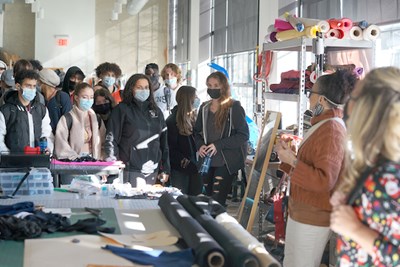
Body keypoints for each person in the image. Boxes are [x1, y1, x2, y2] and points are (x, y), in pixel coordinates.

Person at [274, 70, 357, 267]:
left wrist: (292, 161)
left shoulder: (331, 129)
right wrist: (290, 157)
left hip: (313, 215)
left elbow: (324, 180)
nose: (308, 96)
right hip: (303, 212)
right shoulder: (324, 125)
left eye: (311, 92)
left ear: (321, 99)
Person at [330, 67, 400, 267]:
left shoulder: (388, 177)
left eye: (354, 98)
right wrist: (352, 202)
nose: (348, 105)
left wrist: (355, 229)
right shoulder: (382, 169)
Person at [105, 73, 170, 187]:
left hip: (152, 170)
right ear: (131, 89)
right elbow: (111, 140)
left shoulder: (157, 112)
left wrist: (165, 168)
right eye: (139, 87)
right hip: (129, 169)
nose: (143, 90)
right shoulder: (122, 110)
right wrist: (113, 164)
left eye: (146, 87)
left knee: (149, 204)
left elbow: (164, 143)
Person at [194, 71, 249, 206]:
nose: (212, 89)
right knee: (207, 199)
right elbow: (196, 132)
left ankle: (218, 225)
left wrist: (218, 145)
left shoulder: (233, 107)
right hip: (207, 161)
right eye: (209, 85)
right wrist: (199, 145)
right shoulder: (204, 107)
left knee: (217, 201)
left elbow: (243, 135)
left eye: (216, 85)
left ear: (223, 87)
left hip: (225, 161)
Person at [0, 69, 53, 153]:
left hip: (37, 161)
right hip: (13, 162)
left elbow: (47, 134)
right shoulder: (5, 111)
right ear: (18, 86)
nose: (32, 89)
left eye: (34, 86)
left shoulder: (41, 110)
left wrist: (48, 149)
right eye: (28, 86)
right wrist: (8, 156)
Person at [54, 82, 106, 161]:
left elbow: (103, 142)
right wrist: (75, 159)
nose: (89, 100)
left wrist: (101, 159)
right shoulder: (67, 119)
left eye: (91, 97)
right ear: (76, 98)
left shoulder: (96, 119)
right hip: (73, 165)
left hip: (94, 164)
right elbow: (61, 144)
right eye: (85, 97)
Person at [166, 85, 202, 195]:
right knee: (181, 199)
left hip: (196, 167)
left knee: (196, 199)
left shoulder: (195, 117)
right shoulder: (172, 120)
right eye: (195, 97)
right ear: (188, 99)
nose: (197, 99)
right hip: (180, 168)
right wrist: (184, 161)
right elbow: (170, 147)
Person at [39, 68, 72, 133]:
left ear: (43, 82)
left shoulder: (62, 97)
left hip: (59, 137)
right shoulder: (39, 98)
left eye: (38, 81)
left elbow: (68, 120)